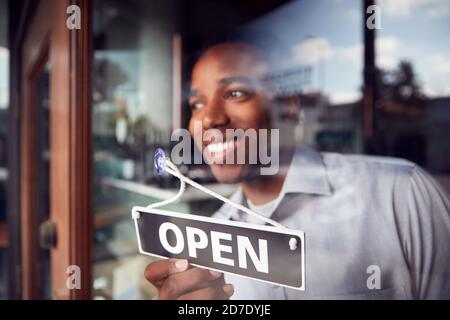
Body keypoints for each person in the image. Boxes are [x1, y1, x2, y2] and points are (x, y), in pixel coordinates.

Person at [144, 41, 450, 300]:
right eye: (197, 103)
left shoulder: (401, 193)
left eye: (236, 92)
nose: (209, 118)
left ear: (288, 108)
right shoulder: (212, 244)